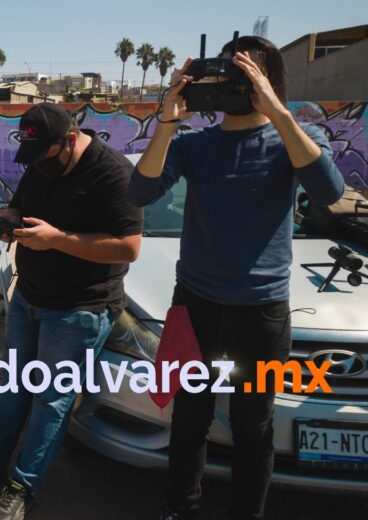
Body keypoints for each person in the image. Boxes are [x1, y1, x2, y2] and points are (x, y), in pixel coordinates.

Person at [129, 36, 344, 520]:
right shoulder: (193, 145)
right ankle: (179, 510)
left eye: (245, 75)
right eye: (227, 73)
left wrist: (279, 112)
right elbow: (139, 192)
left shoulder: (296, 138)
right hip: (196, 305)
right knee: (189, 421)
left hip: (261, 313)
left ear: (269, 82)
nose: (232, 84)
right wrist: (166, 121)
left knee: (253, 428)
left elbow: (328, 192)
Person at [0, 103, 143, 520]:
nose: (39, 167)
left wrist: (57, 239)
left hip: (80, 308)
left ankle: (23, 485)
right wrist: (8, 219)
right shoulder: (42, 159)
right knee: (13, 386)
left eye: (46, 157)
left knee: (51, 399)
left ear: (70, 140)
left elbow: (129, 247)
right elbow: (22, 204)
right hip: (29, 297)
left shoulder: (112, 173)